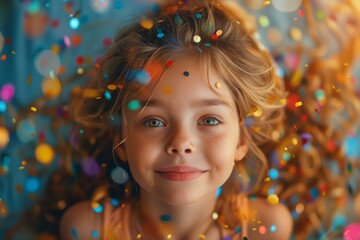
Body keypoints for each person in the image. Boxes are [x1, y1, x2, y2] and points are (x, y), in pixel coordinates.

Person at [59, 0, 293, 239]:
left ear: (242, 138)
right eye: (154, 122)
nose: (181, 142)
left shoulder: (263, 228)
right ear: (120, 135)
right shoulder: (88, 229)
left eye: (210, 120)